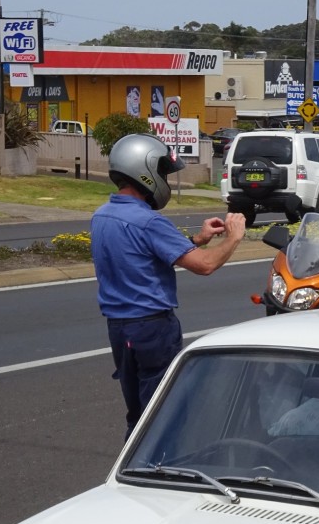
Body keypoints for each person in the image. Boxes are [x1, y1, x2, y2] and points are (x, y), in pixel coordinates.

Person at [91, 133, 246, 438]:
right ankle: (154, 463)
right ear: (144, 171)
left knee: (138, 414)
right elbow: (204, 265)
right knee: (164, 415)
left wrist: (197, 240)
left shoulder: (102, 215)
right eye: (161, 171)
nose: (163, 179)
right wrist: (234, 237)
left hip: (120, 329)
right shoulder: (148, 221)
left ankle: (134, 459)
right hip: (151, 328)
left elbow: (141, 257)